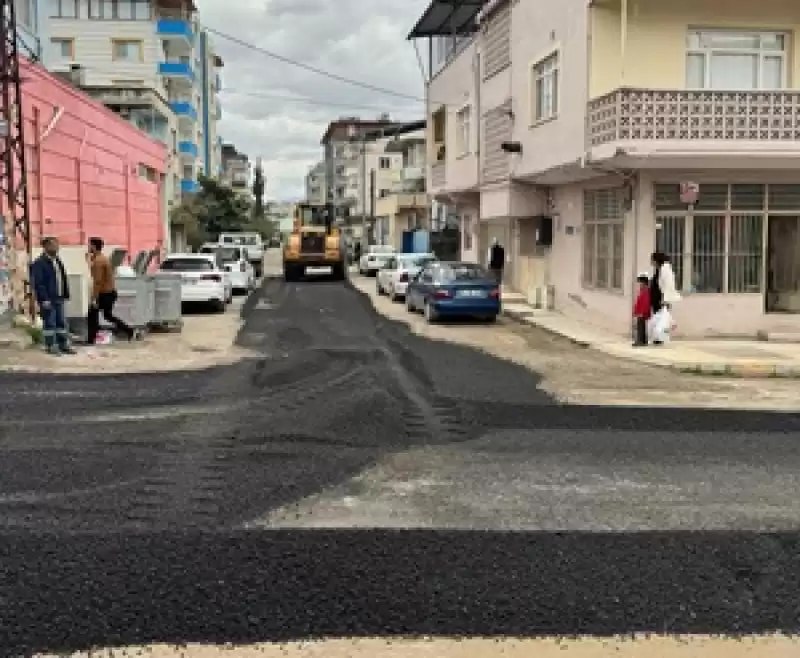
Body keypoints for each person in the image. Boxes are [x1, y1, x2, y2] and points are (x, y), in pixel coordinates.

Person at [29, 237, 76, 356]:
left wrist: (65, 293)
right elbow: (38, 283)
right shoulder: (39, 263)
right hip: (48, 299)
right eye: (54, 245)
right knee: (50, 323)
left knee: (61, 323)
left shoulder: (57, 260)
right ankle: (51, 346)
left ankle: (63, 344)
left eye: (57, 245)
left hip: (59, 296)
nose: (57, 247)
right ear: (46, 247)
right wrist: (44, 299)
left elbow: (62, 278)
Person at [87, 237, 134, 344]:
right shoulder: (101, 258)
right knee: (106, 315)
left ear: (94, 246)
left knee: (92, 314)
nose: (88, 247)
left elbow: (97, 281)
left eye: (89, 245)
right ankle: (128, 330)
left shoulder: (99, 261)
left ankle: (91, 339)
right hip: (109, 292)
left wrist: (94, 298)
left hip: (104, 293)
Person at [649, 251, 680, 345]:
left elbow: (668, 285)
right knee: (659, 318)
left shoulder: (665, 269)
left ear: (656, 260)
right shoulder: (659, 269)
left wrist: (665, 299)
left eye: (652, 260)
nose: (651, 262)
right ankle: (659, 337)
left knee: (661, 319)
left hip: (661, 299)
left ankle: (660, 338)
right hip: (656, 298)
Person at [632, 273, 652, 347]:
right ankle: (643, 340)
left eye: (640, 282)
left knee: (641, 326)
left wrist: (642, 312)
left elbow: (646, 303)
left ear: (644, 283)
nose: (640, 284)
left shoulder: (646, 291)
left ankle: (640, 341)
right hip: (640, 311)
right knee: (641, 326)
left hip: (642, 312)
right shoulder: (643, 290)